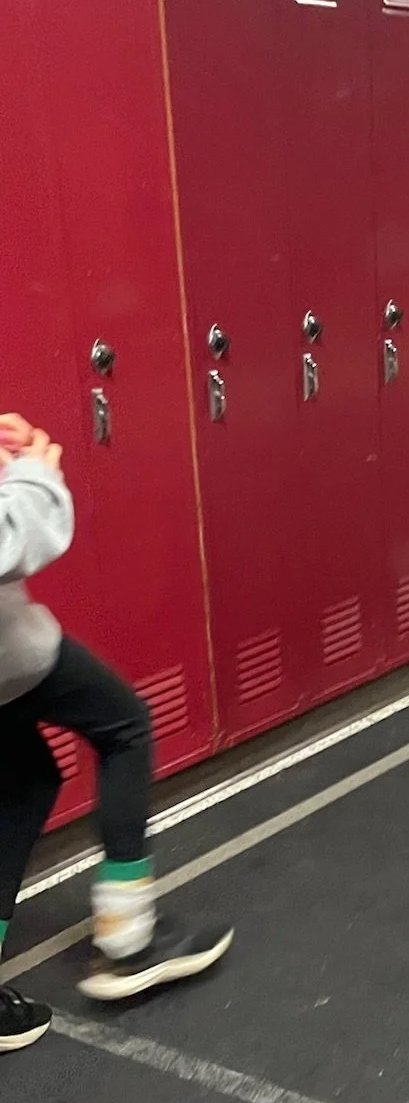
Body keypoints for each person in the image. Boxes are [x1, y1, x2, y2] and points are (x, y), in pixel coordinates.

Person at [0, 414, 231, 1050]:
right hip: (11, 656)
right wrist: (35, 478)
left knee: (21, 786)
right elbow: (13, 536)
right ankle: (132, 940)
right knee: (124, 725)